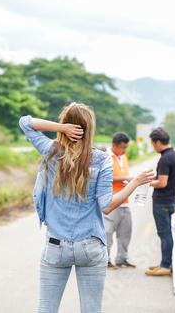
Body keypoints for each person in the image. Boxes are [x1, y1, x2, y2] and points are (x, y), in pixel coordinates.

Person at [19, 102, 154, 313]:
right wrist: (136, 182)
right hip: (90, 246)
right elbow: (107, 206)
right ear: (90, 129)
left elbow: (26, 123)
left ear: (67, 125)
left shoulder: (52, 151)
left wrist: (62, 129)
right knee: (91, 309)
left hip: (56, 245)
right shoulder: (102, 160)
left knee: (46, 307)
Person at [145, 127, 175, 276]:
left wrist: (146, 182)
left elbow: (162, 183)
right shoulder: (174, 155)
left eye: (153, 144)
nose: (153, 147)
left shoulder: (165, 158)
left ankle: (165, 266)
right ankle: (165, 263)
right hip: (169, 200)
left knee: (164, 234)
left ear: (158, 142)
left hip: (162, 201)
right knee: (166, 234)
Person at [104, 132, 135, 269]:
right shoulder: (105, 157)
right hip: (110, 201)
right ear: (114, 145)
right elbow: (104, 178)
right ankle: (105, 260)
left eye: (126, 147)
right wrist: (125, 179)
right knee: (107, 233)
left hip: (124, 201)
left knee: (125, 232)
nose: (124, 150)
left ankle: (122, 259)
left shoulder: (124, 158)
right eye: (122, 147)